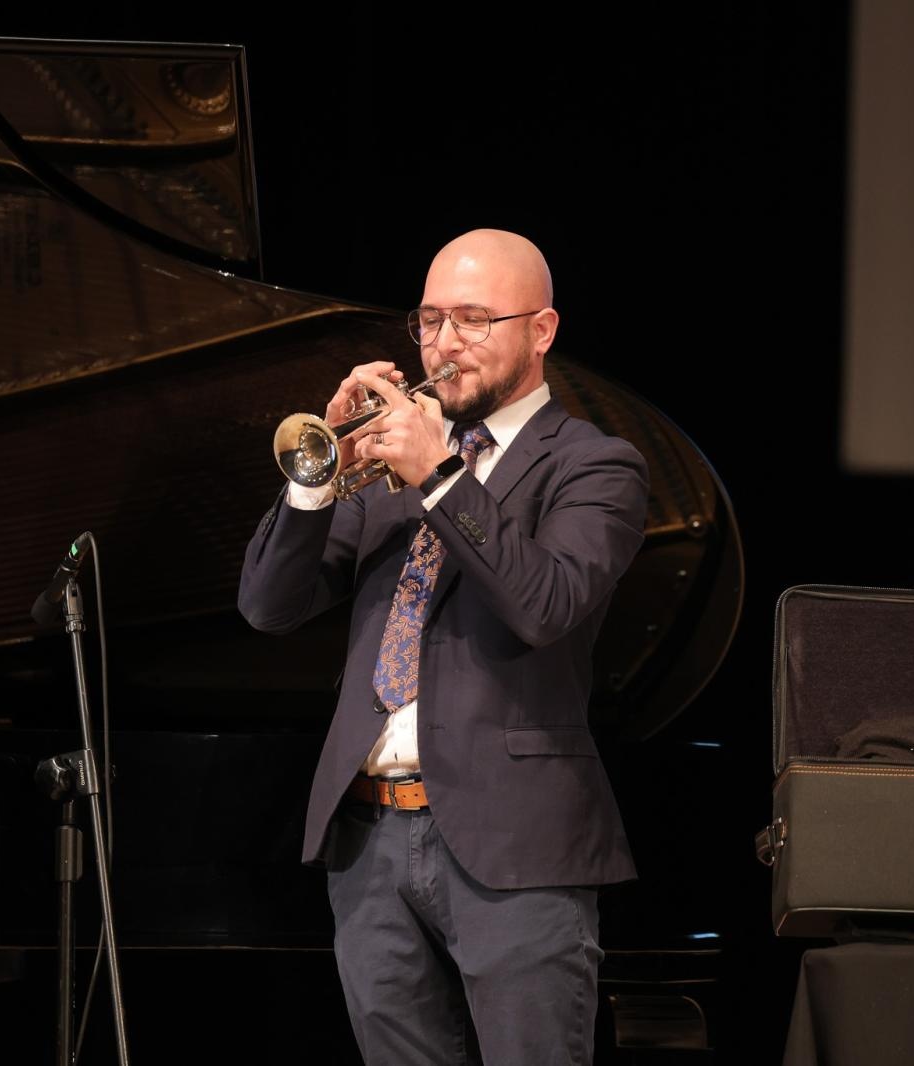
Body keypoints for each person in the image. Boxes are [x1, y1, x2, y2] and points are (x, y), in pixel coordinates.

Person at [239, 229, 648, 1064]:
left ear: (541, 330)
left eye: (472, 319)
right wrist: (319, 477)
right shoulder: (390, 469)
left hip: (515, 844)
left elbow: (545, 604)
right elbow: (268, 608)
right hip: (368, 841)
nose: (443, 343)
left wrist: (439, 476)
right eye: (429, 321)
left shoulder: (596, 466)